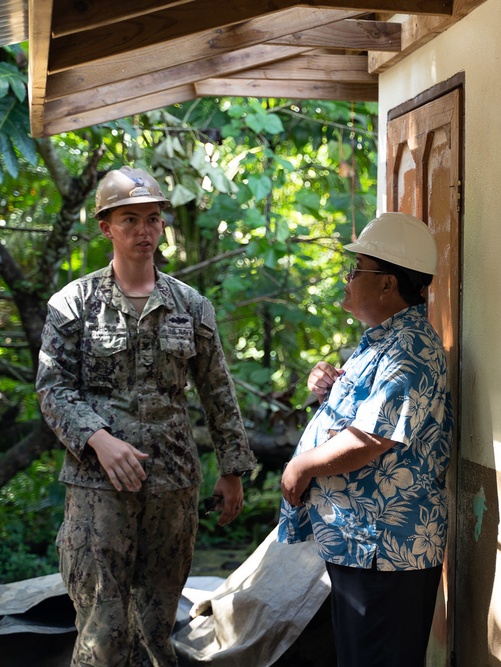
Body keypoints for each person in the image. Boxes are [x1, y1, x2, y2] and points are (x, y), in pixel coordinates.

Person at [35, 166, 256, 667]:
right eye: (129, 219)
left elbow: (217, 389)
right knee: (103, 630)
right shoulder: (74, 304)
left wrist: (232, 470)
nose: (143, 230)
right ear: (106, 227)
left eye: (152, 219)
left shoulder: (190, 306)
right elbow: (52, 389)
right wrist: (98, 439)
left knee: (158, 630)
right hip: (99, 491)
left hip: (172, 485)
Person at [277, 211, 453, 667]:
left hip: (386, 550)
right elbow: (359, 415)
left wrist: (301, 466)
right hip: (363, 545)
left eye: (356, 270)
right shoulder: (381, 340)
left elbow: (371, 438)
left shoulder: (410, 347)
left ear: (388, 284)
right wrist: (330, 386)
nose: (347, 278)